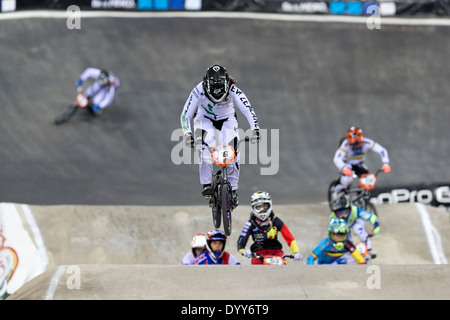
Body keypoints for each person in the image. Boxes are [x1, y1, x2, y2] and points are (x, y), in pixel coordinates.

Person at [180, 64, 260, 207]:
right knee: (203, 147)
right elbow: (186, 114)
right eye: (214, 94)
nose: (217, 96)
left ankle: (233, 190)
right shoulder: (199, 90)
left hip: (227, 119)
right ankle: (206, 185)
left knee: (233, 152)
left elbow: (247, 109)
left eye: (220, 94)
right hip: (204, 119)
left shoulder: (233, 89)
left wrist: (256, 129)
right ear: (207, 86)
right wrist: (188, 134)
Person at [237, 191, 302, 265]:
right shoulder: (250, 224)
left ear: (270, 205)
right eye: (258, 207)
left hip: (276, 252)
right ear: (253, 208)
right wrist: (243, 251)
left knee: (282, 270)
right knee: (254, 271)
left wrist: (296, 252)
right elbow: (241, 241)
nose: (262, 210)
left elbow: (289, 238)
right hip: (258, 254)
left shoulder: (276, 221)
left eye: (264, 206)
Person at [332, 126, 390, 194]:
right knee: (347, 178)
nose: (356, 146)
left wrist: (385, 163)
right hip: (347, 164)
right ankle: (337, 191)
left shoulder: (367, 142)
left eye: (358, 144)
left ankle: (362, 197)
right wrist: (343, 167)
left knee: (367, 178)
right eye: (354, 145)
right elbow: (337, 158)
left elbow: (382, 150)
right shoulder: (345, 145)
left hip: (359, 163)